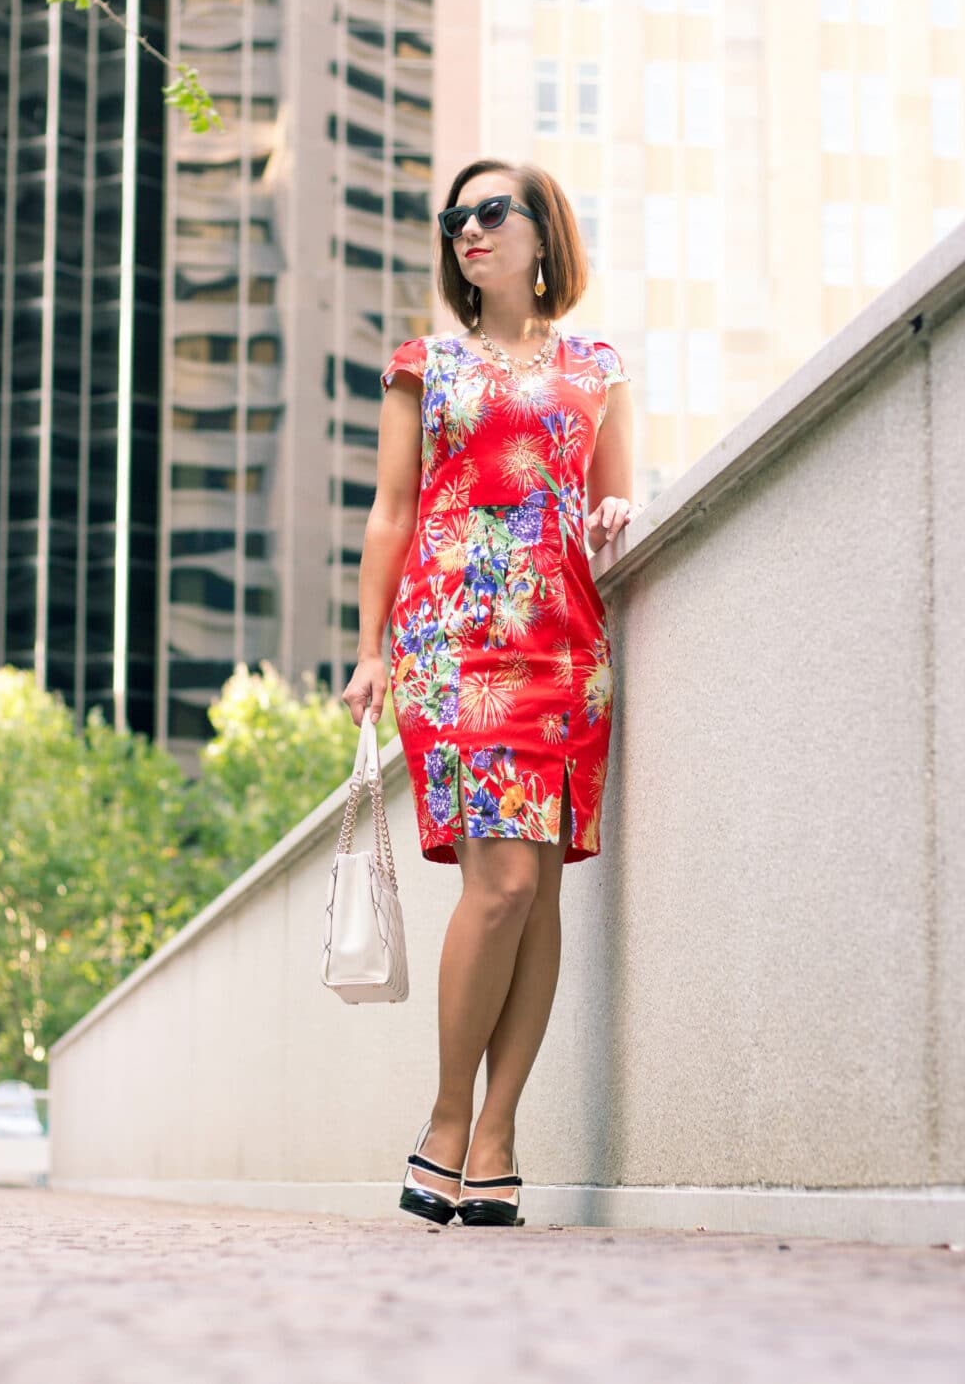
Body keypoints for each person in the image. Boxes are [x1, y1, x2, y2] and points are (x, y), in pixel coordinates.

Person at [342, 158, 634, 1227]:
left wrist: (610, 520)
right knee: (502, 884)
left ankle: (501, 1135)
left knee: (542, 891)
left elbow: (608, 496)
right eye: (453, 219)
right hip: (453, 643)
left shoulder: (598, 364)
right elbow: (389, 511)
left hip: (567, 650)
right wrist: (369, 648)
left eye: (489, 212)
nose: (468, 230)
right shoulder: (426, 364)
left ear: (542, 231)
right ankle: (444, 1121)